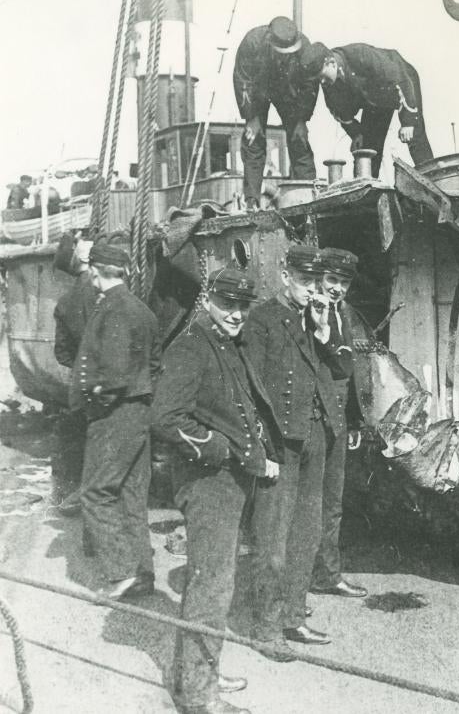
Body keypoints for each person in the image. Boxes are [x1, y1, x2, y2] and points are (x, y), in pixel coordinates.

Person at [153, 268, 279, 714]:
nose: (236, 314)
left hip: (229, 481)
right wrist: (222, 450)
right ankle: (200, 697)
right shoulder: (190, 347)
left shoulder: (226, 343)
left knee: (212, 585)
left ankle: (195, 672)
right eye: (228, 304)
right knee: (212, 588)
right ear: (208, 299)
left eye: (243, 306)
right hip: (208, 484)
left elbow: (240, 408)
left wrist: (258, 451)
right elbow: (165, 419)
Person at [244, 245, 354, 660]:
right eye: (305, 282)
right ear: (284, 275)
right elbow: (252, 384)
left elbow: (343, 370)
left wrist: (325, 332)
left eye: (315, 283)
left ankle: (293, 615)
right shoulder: (262, 319)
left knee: (305, 535)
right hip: (280, 441)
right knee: (272, 539)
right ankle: (266, 628)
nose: (312, 291)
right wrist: (259, 444)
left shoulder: (319, 318)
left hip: (316, 437)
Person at [72, 243, 161, 600]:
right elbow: (154, 365)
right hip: (139, 411)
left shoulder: (112, 309)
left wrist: (95, 405)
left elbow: (112, 375)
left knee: (94, 493)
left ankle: (121, 571)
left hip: (114, 414)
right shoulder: (142, 310)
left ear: (94, 271)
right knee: (131, 496)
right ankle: (142, 575)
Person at [309, 248, 367, 599]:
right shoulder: (308, 314)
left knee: (332, 503)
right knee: (309, 503)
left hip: (338, 417)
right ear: (318, 279)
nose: (337, 288)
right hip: (314, 417)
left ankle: (327, 575)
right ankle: (303, 578)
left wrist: (354, 420)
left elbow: (350, 371)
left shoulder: (343, 313)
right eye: (332, 280)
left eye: (343, 282)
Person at [300, 42, 434, 177]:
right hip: (374, 100)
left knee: (415, 136)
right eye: (319, 80)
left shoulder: (361, 55)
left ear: (332, 63)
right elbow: (341, 113)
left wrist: (408, 122)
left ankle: (433, 179)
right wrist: (357, 134)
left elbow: (401, 79)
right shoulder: (328, 83)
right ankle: (367, 193)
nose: (322, 83)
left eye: (323, 77)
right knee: (367, 150)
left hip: (403, 82)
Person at [233, 16, 319, 210]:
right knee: (253, 139)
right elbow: (242, 81)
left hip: (288, 92)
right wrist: (251, 117)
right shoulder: (252, 43)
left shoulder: (305, 47)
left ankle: (308, 196)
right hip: (258, 91)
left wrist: (302, 119)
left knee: (300, 139)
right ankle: (252, 201)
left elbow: (310, 85)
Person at [52, 232, 99, 511]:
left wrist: (83, 364)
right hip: (113, 383)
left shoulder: (65, 302)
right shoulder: (110, 294)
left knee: (84, 440)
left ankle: (84, 495)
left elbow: (62, 353)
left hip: (82, 385)